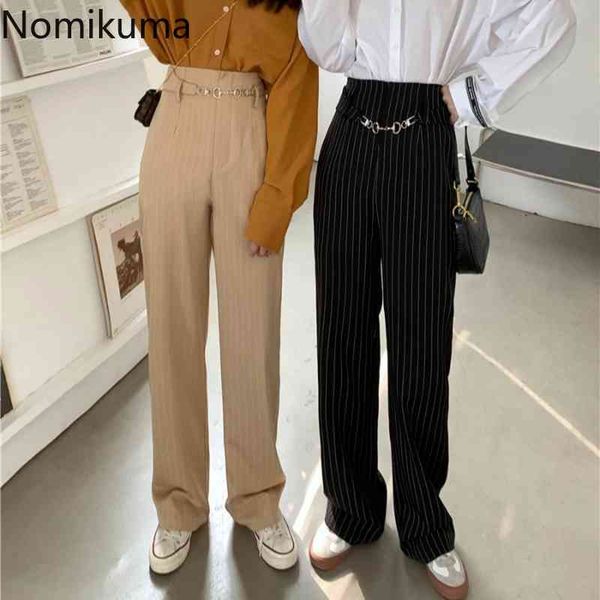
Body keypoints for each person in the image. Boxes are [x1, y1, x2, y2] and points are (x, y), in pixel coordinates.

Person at [298, 1, 576, 598]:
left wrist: (474, 95)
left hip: (425, 136)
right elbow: (327, 49)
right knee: (341, 333)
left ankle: (425, 527)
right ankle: (350, 508)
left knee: (422, 343)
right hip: (350, 132)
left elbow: (553, 19)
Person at [120, 0, 317, 574]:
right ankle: (178, 505)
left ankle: (258, 499)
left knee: (253, 332)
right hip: (175, 123)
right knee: (172, 329)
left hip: (249, 134)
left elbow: (297, 88)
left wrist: (277, 199)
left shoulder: (291, 6)